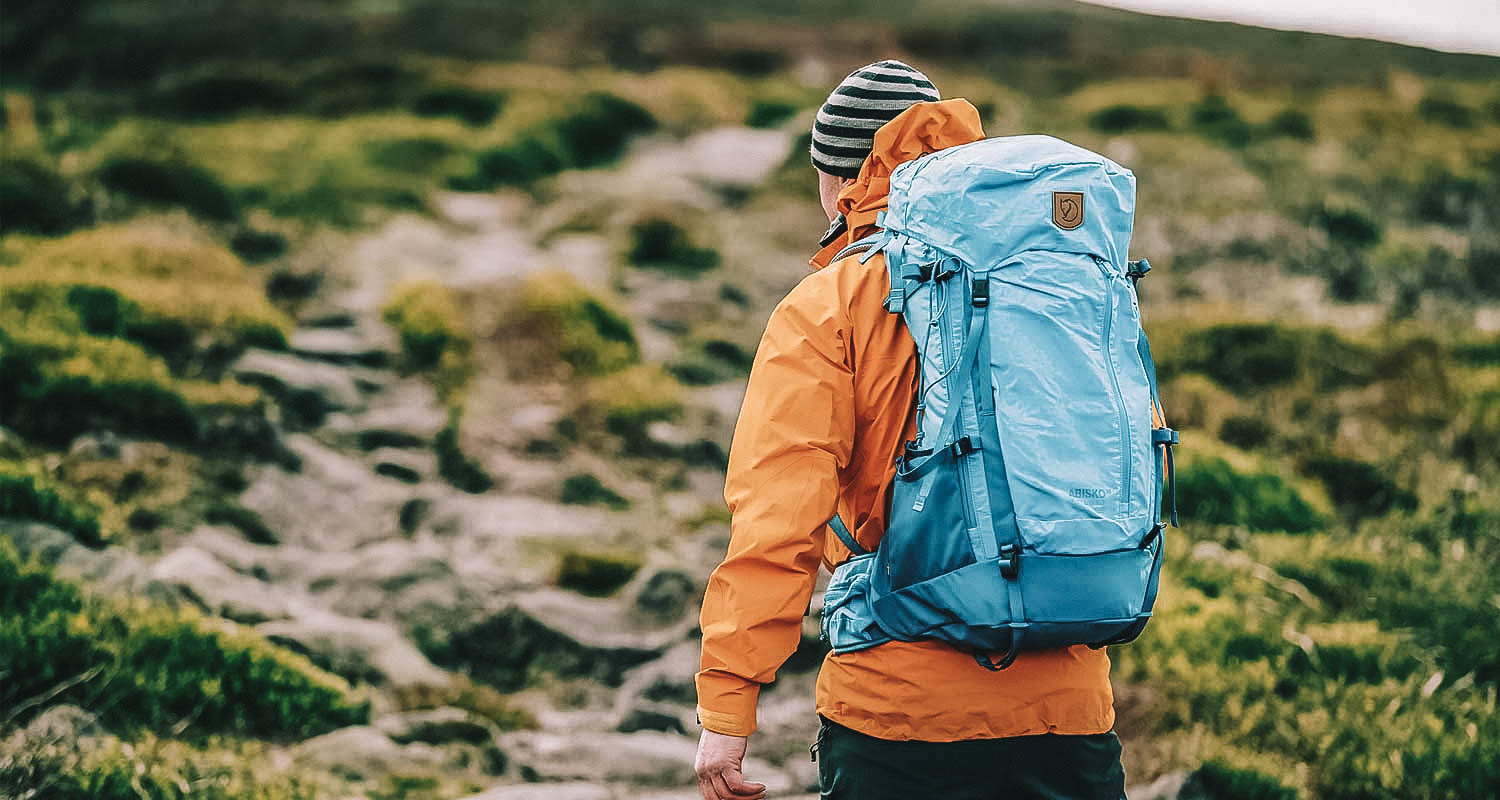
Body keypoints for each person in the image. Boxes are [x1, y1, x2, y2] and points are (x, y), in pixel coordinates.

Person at [693, 60, 1127, 800]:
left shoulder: (829, 303)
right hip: (1069, 709)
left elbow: (777, 517)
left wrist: (729, 706)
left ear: (839, 181)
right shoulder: (1066, 282)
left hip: (898, 715)